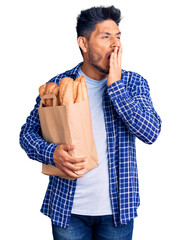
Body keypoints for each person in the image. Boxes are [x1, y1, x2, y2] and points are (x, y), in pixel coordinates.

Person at [19, 5, 161, 240]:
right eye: (106, 37)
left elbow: (151, 132)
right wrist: (51, 153)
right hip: (68, 210)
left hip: (117, 211)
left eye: (118, 37)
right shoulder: (57, 84)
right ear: (84, 44)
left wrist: (116, 87)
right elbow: (27, 134)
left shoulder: (134, 84)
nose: (115, 44)